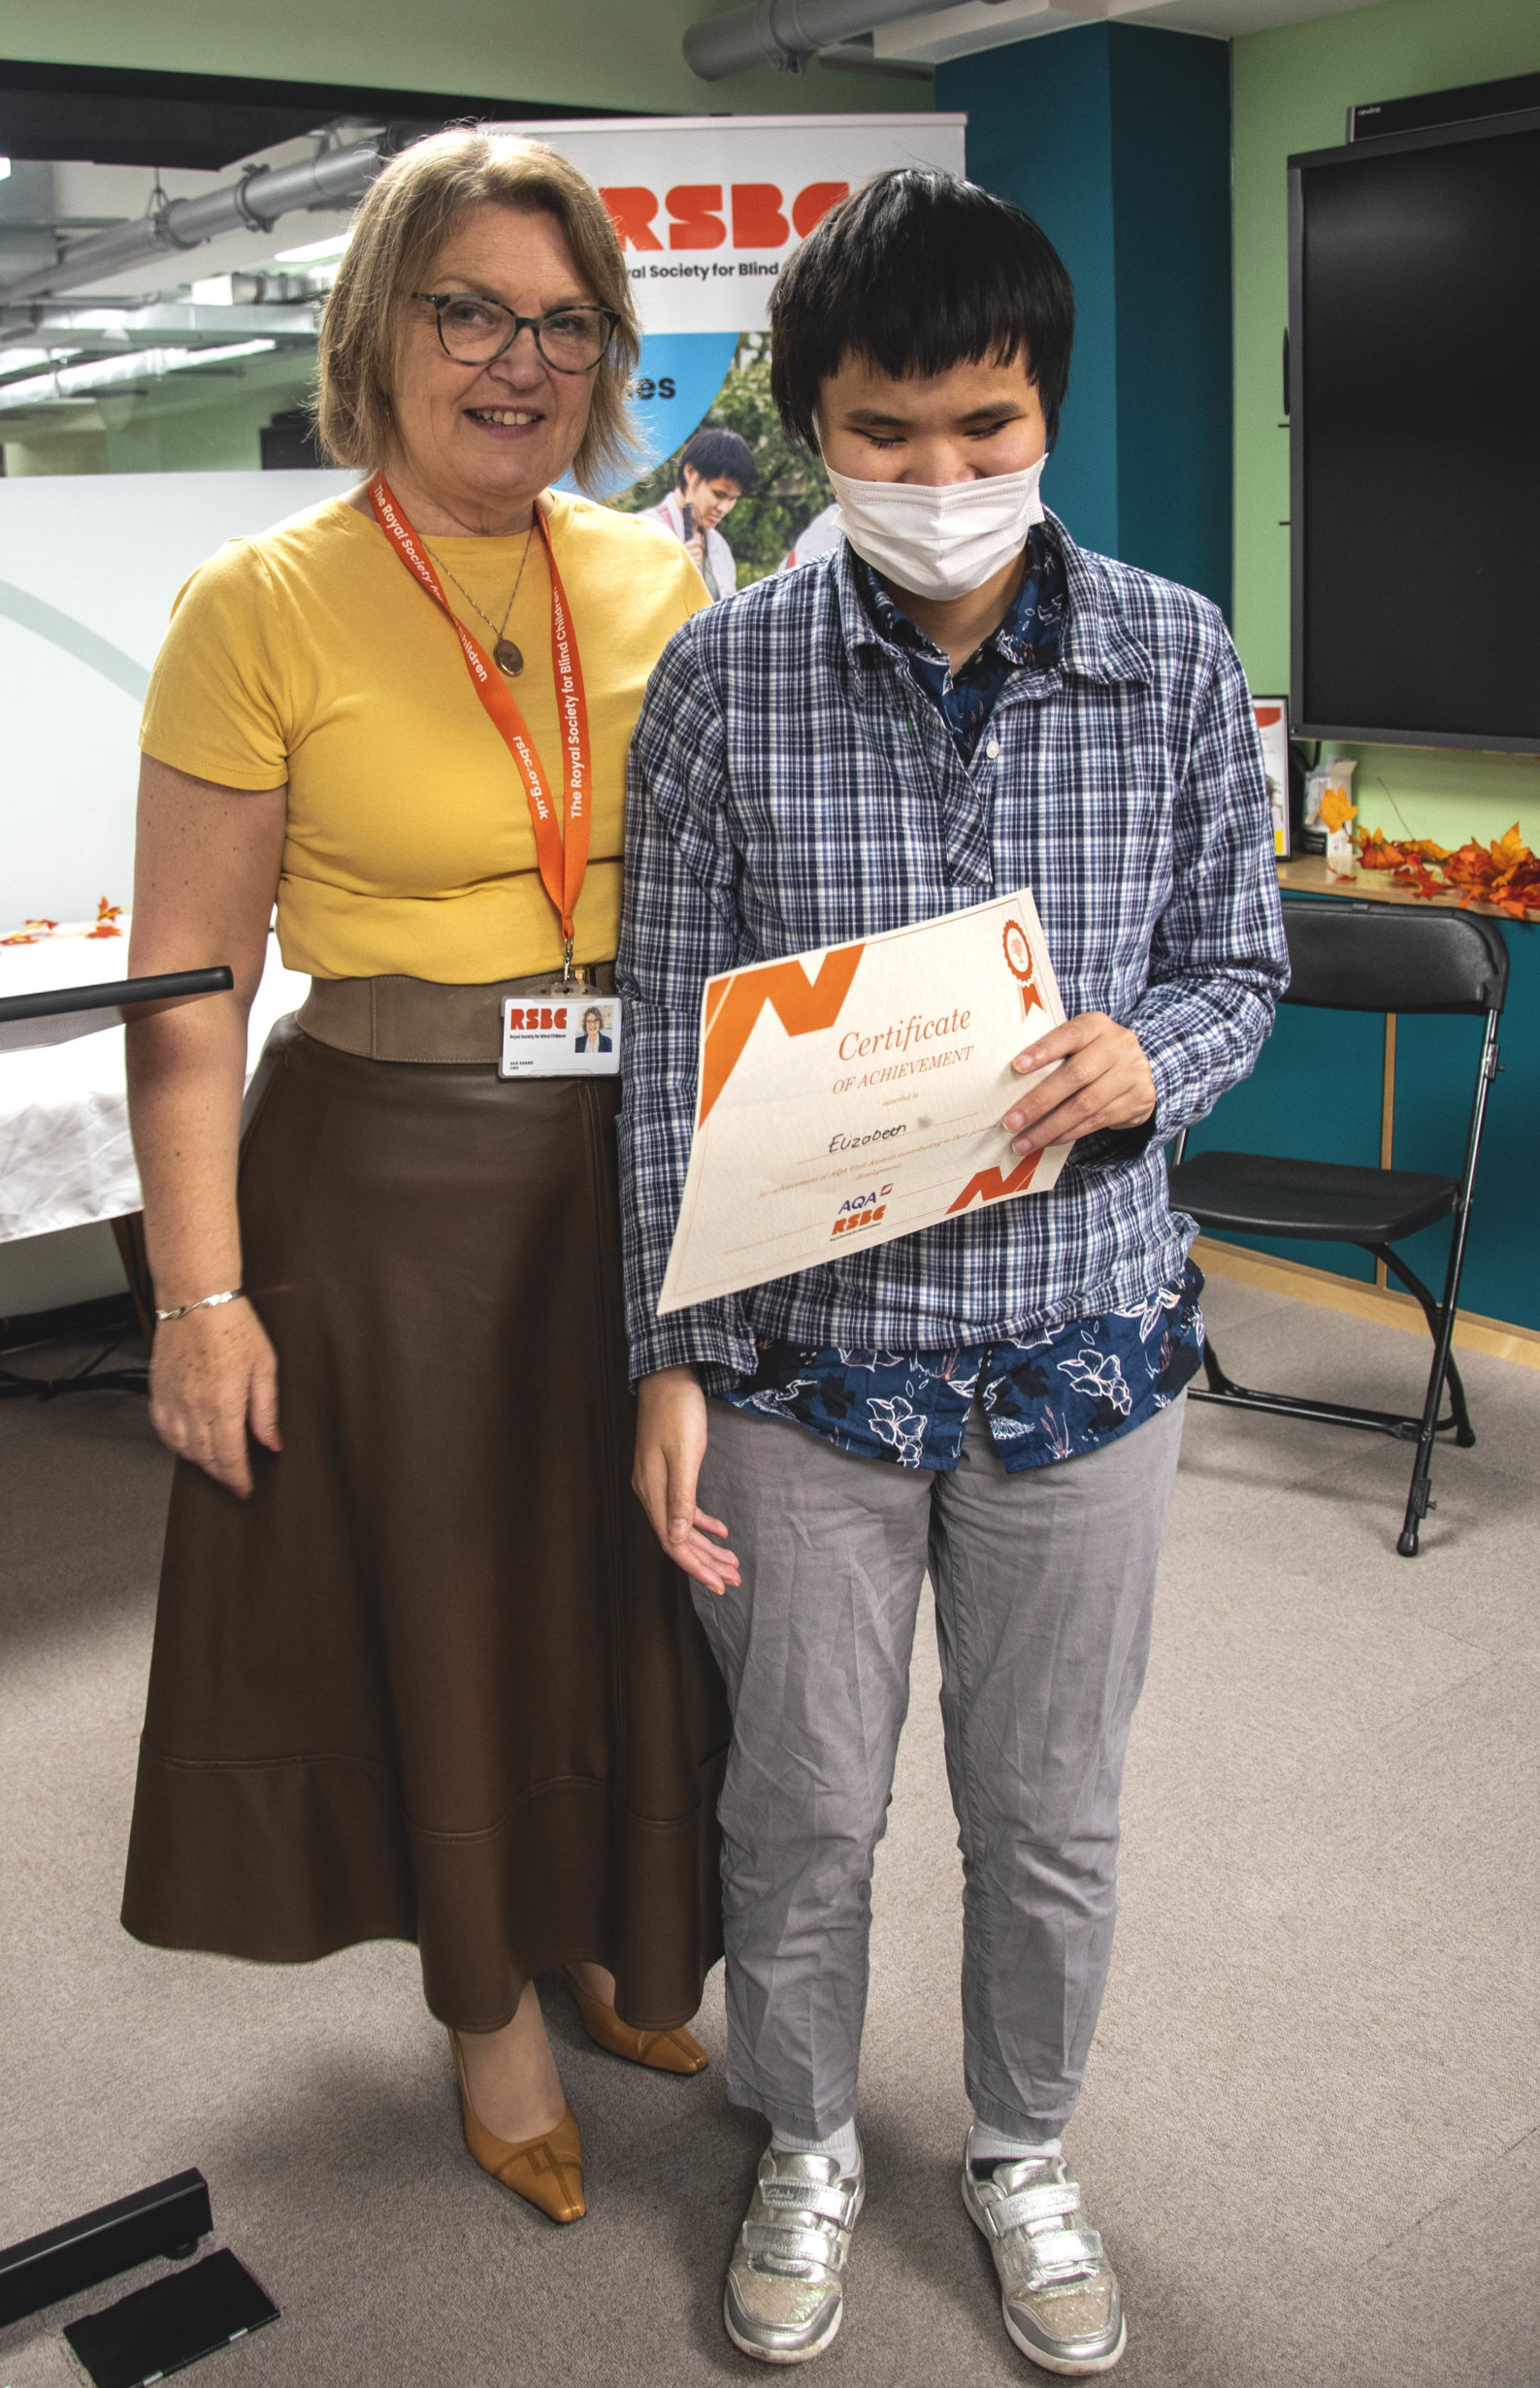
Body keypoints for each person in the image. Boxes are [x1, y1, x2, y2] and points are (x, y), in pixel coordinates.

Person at [618, 170, 1287, 2369]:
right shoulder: (719, 681)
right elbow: (663, 1046)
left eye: (982, 425)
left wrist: (1150, 1057)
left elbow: (1238, 960)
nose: (936, 475)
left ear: (1046, 410)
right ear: (810, 427)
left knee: (1049, 1804)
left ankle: (1020, 2142)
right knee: (802, 1798)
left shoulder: (1172, 653)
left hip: (1084, 1344)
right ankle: (805, 2129)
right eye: (882, 431)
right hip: (806, 1366)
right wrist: (664, 1357)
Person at [120, 126, 729, 2232]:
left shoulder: (655, 579)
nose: (519, 363)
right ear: (380, 327)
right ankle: (487, 2010)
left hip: (630, 1159)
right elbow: (190, 992)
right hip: (383, 1184)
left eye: (565, 325)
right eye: (470, 312)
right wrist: (200, 1297)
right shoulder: (260, 602)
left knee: (621, 1581)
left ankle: (605, 1932)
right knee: (451, 1602)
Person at [639, 425, 756, 598]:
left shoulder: (719, 545)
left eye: (732, 499)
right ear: (690, 472)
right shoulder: (646, 530)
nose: (723, 508)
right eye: (718, 494)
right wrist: (675, 574)